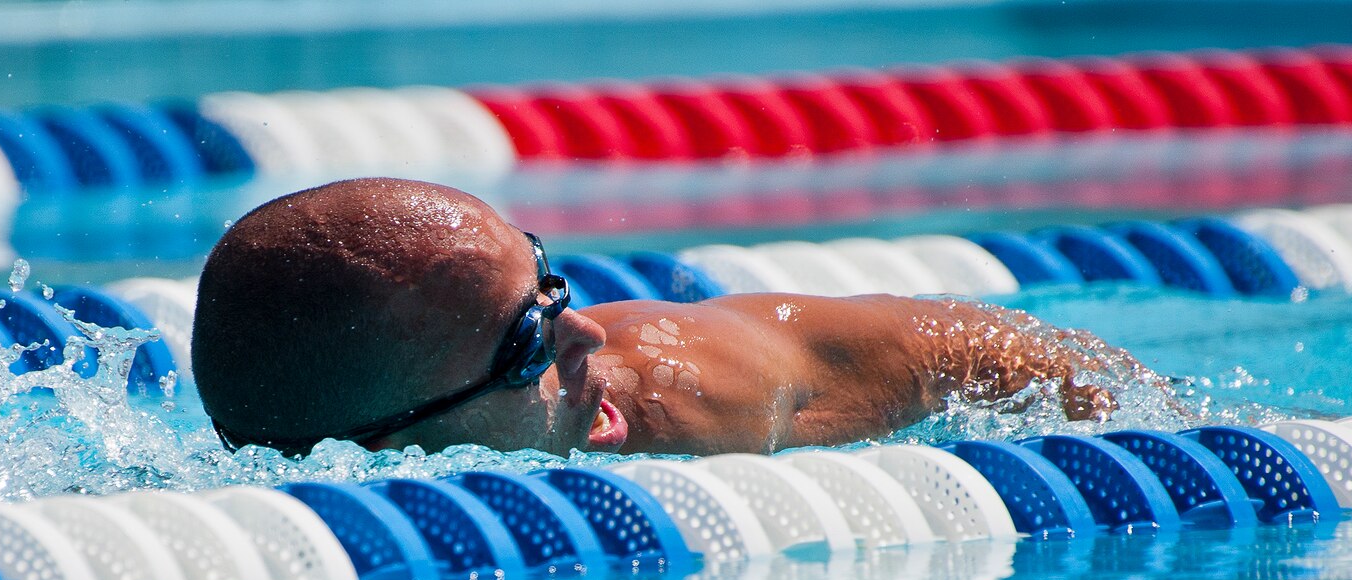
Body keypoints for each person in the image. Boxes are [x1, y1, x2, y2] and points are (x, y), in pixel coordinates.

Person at [190, 178, 1161, 459]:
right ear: (391, 438)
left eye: (551, 284)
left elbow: (965, 344)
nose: (586, 334)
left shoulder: (683, 385)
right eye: (528, 341)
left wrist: (1151, 429)